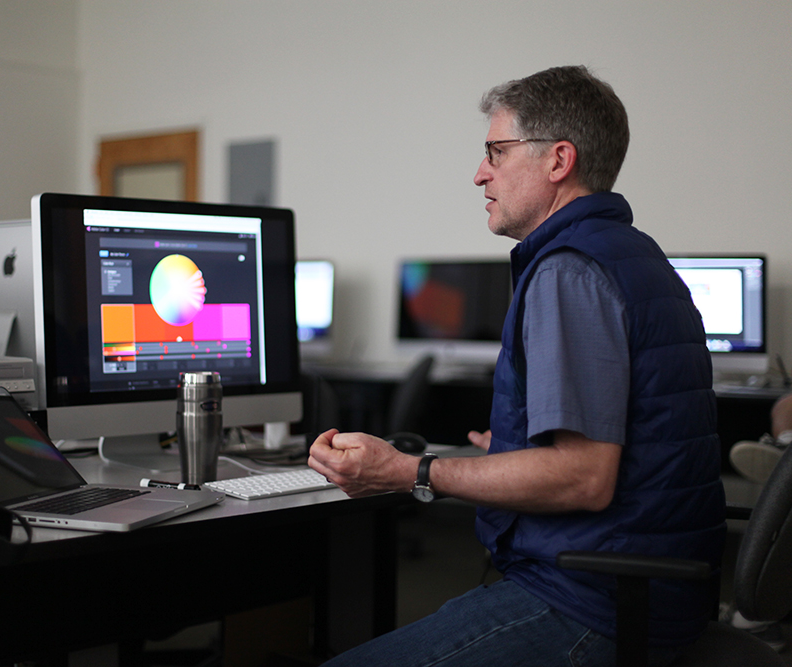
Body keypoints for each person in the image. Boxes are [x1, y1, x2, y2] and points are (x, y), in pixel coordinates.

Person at [308, 65, 726, 667]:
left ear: (558, 161)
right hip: (644, 587)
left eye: (496, 152)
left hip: (592, 601)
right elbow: (629, 438)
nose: (480, 173)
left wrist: (410, 470)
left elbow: (583, 476)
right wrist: (509, 450)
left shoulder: (569, 270)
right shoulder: (632, 253)